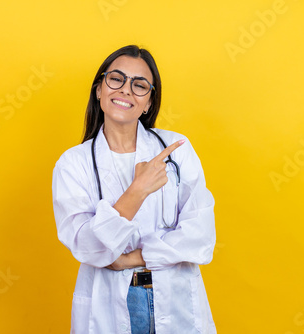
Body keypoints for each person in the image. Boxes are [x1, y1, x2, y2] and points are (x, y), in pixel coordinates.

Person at [52, 45, 217, 333]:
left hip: (174, 299)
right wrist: (137, 191)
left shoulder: (176, 150)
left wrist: (130, 258)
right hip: (109, 303)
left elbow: (201, 237)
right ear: (99, 90)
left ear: (149, 102)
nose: (126, 90)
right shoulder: (72, 163)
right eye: (116, 79)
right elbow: (87, 245)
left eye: (139, 85)